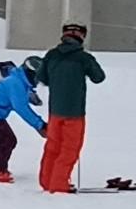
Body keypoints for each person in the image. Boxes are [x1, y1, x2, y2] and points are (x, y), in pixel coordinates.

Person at [37, 21, 106, 194]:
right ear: (81, 36)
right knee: (70, 149)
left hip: (55, 112)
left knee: (53, 146)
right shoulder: (83, 58)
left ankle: (47, 181)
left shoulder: (51, 55)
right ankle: (59, 185)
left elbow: (42, 78)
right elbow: (99, 77)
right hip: (75, 112)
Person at [0, 57, 45, 182]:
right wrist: (39, 125)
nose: (38, 81)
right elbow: (21, 108)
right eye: (38, 78)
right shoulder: (16, 84)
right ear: (31, 74)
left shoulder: (18, 81)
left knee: (7, 140)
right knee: (7, 140)